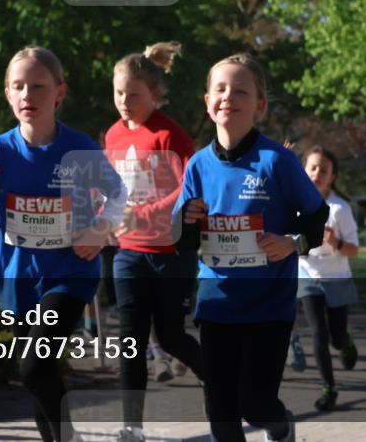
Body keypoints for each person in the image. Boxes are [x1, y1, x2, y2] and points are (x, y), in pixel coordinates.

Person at [0, 46, 126, 442]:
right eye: (19, 86)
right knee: (40, 373)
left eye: (38, 86)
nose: (28, 95)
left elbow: (118, 195)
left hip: (69, 274)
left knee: (33, 366)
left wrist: (100, 229)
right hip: (19, 279)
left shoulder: (79, 146)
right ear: (8, 94)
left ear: (59, 93)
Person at [173, 53, 328, 442]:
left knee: (255, 404)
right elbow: (181, 239)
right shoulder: (197, 165)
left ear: (259, 105)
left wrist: (291, 242)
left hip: (267, 306)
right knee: (221, 413)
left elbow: (315, 219)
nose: (228, 96)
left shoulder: (277, 161)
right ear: (207, 101)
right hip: (216, 303)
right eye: (220, 89)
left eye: (240, 90)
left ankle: (281, 426)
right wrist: (187, 219)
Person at [102, 42, 203, 442]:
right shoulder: (112, 134)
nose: (124, 102)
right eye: (119, 93)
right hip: (129, 252)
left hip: (170, 253)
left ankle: (223, 384)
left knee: (173, 336)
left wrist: (140, 214)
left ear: (154, 95)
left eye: (134, 95)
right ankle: (132, 427)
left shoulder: (169, 135)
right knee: (130, 339)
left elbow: (186, 192)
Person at [296, 146, 360, 412]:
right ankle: (329, 388)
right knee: (318, 334)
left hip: (336, 277)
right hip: (307, 276)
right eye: (312, 168)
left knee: (335, 338)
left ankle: (346, 340)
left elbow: (354, 251)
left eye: (324, 170)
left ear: (332, 176)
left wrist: (335, 241)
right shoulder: (295, 204)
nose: (317, 174)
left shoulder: (339, 208)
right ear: (304, 170)